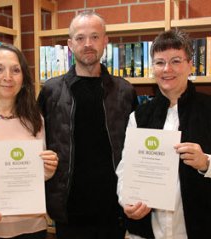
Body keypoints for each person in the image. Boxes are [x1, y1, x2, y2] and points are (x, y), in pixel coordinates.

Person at [38, 10, 138, 239]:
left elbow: (135, 150)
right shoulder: (50, 91)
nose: (88, 44)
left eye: (94, 36)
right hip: (68, 209)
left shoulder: (125, 91)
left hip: (113, 209)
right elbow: (36, 144)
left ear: (105, 41)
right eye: (80, 38)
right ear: (70, 44)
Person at [116, 28, 211, 239]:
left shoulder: (208, 110)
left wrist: (206, 163)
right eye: (160, 62)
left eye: (176, 61)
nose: (167, 69)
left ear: (190, 65)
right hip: (148, 233)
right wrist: (127, 202)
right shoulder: (139, 116)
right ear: (153, 68)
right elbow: (125, 170)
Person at [0, 43, 59, 239]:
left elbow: (34, 174)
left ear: (24, 80)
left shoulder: (35, 120)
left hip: (31, 227)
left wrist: (47, 168)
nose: (8, 77)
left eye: (15, 70)